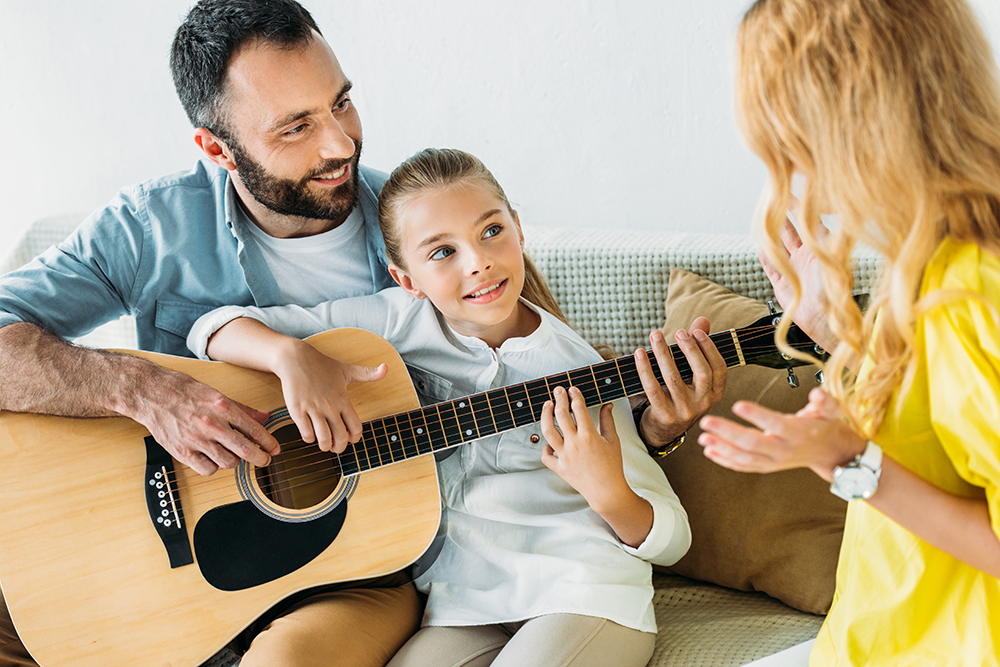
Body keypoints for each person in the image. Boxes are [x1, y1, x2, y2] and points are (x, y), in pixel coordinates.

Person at [0, 2, 419, 665]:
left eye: (342, 104)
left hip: (349, 569)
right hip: (168, 557)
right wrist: (141, 390)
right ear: (215, 149)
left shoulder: (418, 221)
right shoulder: (151, 226)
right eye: (296, 128)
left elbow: (526, 347)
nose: (340, 143)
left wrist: (648, 429)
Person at [187, 147, 694, 667]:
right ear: (406, 278)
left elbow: (672, 539)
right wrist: (287, 354)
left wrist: (608, 490)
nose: (478, 262)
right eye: (441, 252)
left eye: (491, 231)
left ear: (519, 229)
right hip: (463, 606)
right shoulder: (395, 323)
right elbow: (211, 329)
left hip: (584, 593)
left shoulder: (579, 371)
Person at [699, 0, 1000, 664]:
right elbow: (941, 429)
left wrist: (849, 462)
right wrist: (837, 334)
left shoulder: (969, 289)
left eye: (789, 141)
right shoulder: (942, 255)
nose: (787, 172)